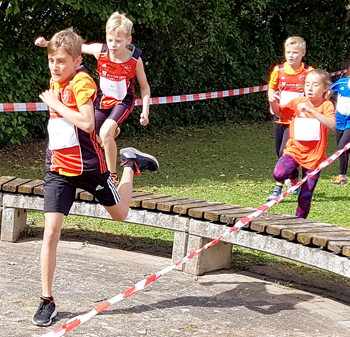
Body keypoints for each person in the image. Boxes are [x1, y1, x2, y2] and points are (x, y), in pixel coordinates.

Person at [32, 28, 158, 327]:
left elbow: (88, 123)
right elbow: (61, 49)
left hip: (91, 167)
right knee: (51, 232)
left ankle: (128, 163)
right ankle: (46, 299)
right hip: (58, 169)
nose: (54, 67)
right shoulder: (58, 76)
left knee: (121, 214)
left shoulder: (82, 80)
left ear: (76, 61)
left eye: (61, 61)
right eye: (51, 61)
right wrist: (47, 45)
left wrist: (57, 105)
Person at [35, 11, 151, 186]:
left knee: (104, 133)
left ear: (128, 40)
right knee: (91, 134)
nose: (113, 45)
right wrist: (48, 43)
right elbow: (71, 47)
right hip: (103, 100)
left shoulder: (134, 60)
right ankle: (112, 132)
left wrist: (145, 112)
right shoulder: (100, 50)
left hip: (123, 101)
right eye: (110, 39)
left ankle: (112, 175)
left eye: (118, 41)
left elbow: (145, 87)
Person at [269, 69, 336, 218]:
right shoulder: (297, 103)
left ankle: (299, 224)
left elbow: (332, 124)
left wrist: (312, 111)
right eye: (307, 85)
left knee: (305, 196)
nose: (310, 88)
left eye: (315, 85)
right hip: (294, 151)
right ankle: (294, 177)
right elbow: (278, 112)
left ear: (325, 88)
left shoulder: (326, 105)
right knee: (279, 174)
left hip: (314, 158)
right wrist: (273, 102)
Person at [266, 36, 314, 201]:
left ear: (303, 53)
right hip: (280, 117)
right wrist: (272, 99)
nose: (291, 56)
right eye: (288, 52)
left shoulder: (308, 72)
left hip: (298, 120)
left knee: (283, 153)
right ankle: (294, 179)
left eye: (295, 52)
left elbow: (315, 93)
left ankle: (277, 188)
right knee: (279, 150)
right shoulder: (278, 70)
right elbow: (271, 89)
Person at [329, 69, 350, 185]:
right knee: (342, 149)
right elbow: (327, 90)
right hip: (339, 121)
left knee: (342, 148)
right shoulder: (341, 83)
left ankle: (342, 177)